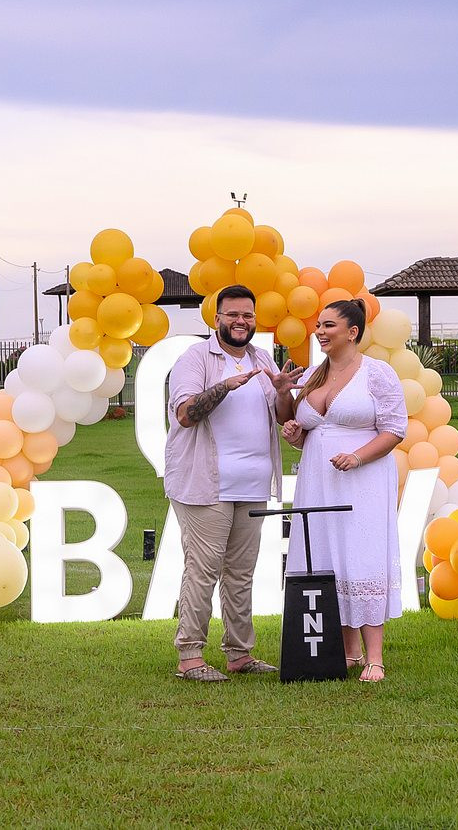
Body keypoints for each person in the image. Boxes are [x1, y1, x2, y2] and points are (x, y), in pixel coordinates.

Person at [165, 284, 304, 682]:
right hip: (204, 484)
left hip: (253, 484)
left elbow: (282, 417)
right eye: (233, 315)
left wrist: (282, 393)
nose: (241, 321)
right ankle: (190, 656)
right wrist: (225, 386)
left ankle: (239, 654)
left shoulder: (262, 358)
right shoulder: (196, 358)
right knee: (202, 570)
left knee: (241, 572)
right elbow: (186, 414)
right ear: (217, 319)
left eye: (247, 315)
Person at [282, 298, 406, 682]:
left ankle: (375, 658)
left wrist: (357, 457)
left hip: (362, 481)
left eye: (328, 325)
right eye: (318, 325)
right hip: (317, 480)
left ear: (352, 332)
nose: (319, 332)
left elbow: (395, 429)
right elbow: (305, 430)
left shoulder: (377, 373)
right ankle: (348, 652)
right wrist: (294, 431)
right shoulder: (315, 374)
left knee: (361, 556)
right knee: (326, 556)